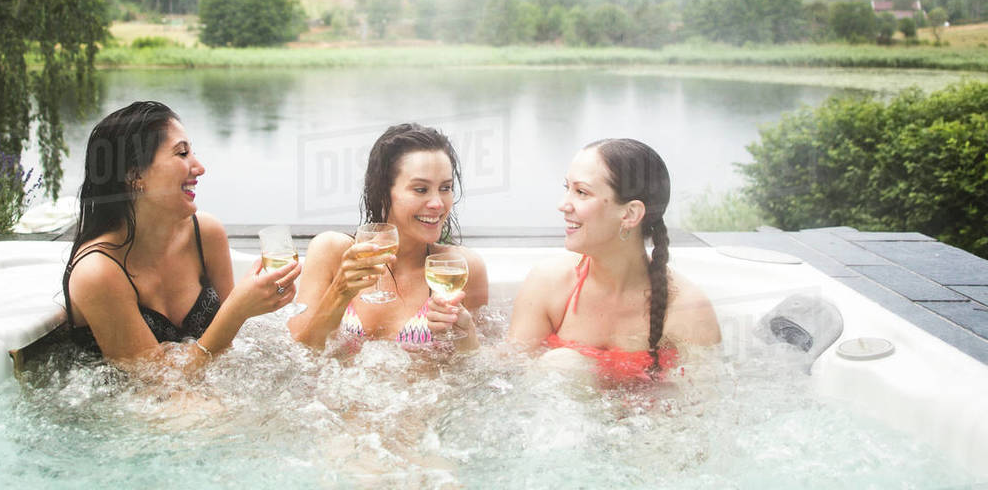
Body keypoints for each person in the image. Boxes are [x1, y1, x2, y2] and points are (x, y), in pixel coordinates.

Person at [62, 101, 301, 366]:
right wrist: (237, 311)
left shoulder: (206, 235)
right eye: (182, 153)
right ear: (135, 174)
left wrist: (251, 306)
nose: (199, 168)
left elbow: (229, 352)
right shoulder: (98, 272)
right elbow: (156, 383)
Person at [508, 138, 720, 381]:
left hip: (645, 417)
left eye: (581, 192)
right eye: (566, 188)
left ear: (630, 214)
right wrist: (466, 338)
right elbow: (509, 375)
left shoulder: (688, 310)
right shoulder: (548, 283)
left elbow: (702, 406)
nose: (563, 205)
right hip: (562, 414)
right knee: (563, 364)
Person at [289, 123, 488, 351]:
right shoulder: (332, 252)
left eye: (445, 188)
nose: (437, 203)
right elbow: (297, 356)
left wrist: (466, 337)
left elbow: (479, 373)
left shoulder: (459, 268)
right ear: (384, 193)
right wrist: (339, 292)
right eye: (421, 189)